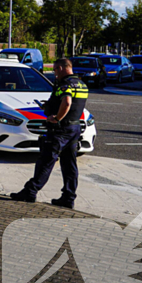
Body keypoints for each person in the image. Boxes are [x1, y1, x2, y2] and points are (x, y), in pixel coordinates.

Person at [10, 58, 88, 209]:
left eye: (55, 70)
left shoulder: (65, 84)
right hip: (74, 128)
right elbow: (73, 105)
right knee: (69, 164)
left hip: (60, 129)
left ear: (60, 68)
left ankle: (30, 191)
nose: (55, 74)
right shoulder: (82, 84)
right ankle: (68, 197)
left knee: (46, 161)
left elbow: (67, 102)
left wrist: (56, 117)